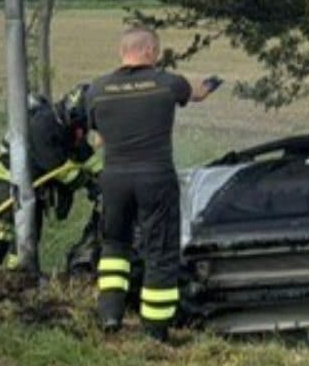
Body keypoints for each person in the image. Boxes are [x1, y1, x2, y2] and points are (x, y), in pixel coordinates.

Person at [86, 27, 220, 342]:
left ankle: (109, 316)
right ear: (149, 52)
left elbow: (98, 137)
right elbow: (197, 92)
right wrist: (215, 82)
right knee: (159, 251)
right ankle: (155, 331)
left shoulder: (98, 89)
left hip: (115, 179)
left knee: (114, 246)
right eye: (156, 52)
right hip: (154, 178)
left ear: (123, 52)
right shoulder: (165, 83)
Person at [0, 84, 102, 272]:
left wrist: (105, 177)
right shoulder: (44, 125)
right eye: (82, 126)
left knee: (30, 228)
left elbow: (86, 156)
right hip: (5, 177)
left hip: (28, 185)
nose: (82, 133)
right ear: (73, 114)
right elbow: (59, 168)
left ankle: (20, 273)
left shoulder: (69, 130)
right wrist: (89, 183)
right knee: (6, 224)